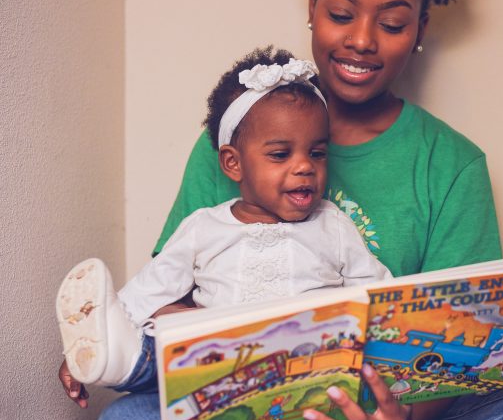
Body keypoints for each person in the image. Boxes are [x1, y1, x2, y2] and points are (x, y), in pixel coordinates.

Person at [62, 0, 503, 420]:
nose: (361, 40)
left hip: (384, 408)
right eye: (341, 13)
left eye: (391, 23)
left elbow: (453, 344)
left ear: (419, 32)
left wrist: (396, 418)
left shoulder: (453, 165)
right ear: (312, 6)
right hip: (245, 397)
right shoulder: (235, 139)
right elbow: (164, 294)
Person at [56, 47, 391, 396]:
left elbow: (379, 291)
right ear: (233, 163)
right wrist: (100, 335)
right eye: (280, 154)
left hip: (305, 365)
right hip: (218, 370)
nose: (305, 166)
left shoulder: (332, 226)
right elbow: (150, 287)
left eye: (317, 153)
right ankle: (116, 358)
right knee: (169, 335)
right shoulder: (204, 228)